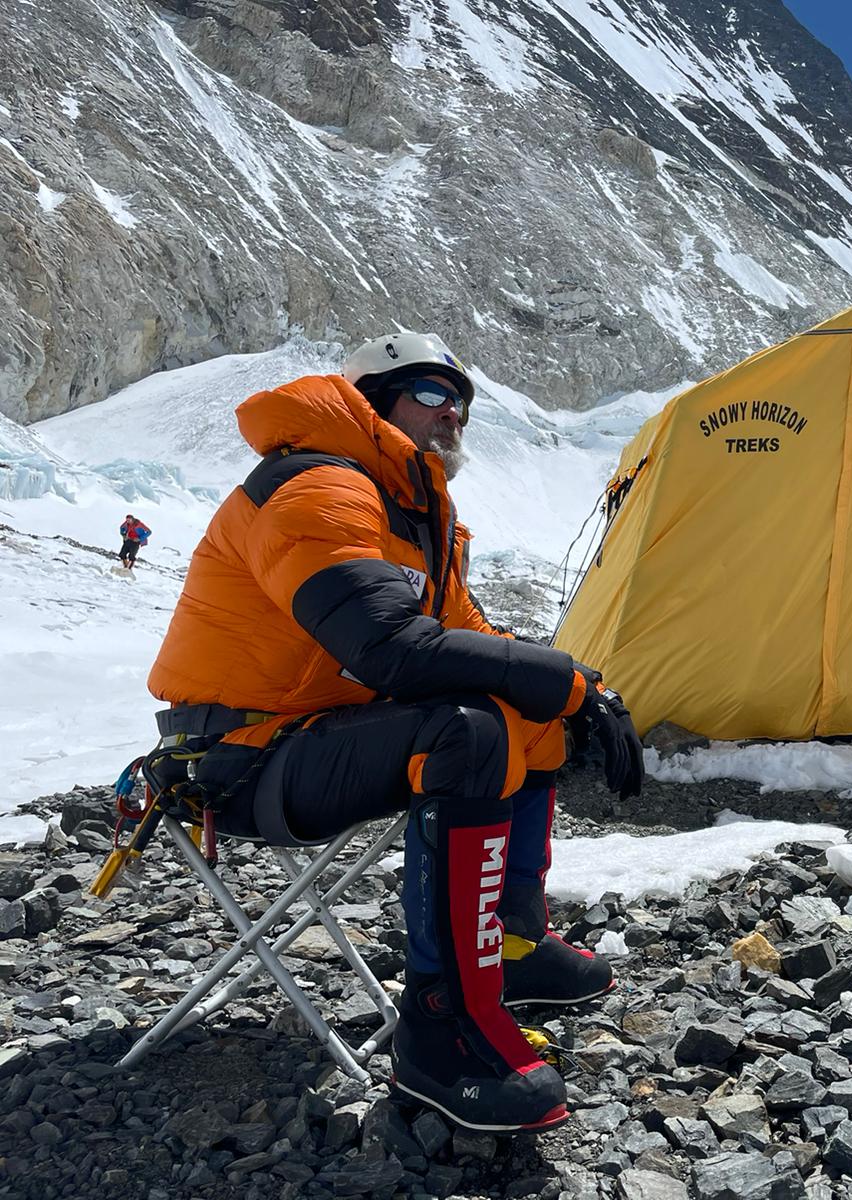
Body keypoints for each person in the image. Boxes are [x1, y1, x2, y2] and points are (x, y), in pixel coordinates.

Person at [146, 333, 644, 1132]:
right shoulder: (316, 486)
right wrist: (560, 676)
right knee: (469, 732)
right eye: (430, 392)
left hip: (316, 735)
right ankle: (441, 1027)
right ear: (375, 399)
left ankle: (511, 943)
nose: (454, 413)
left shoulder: (415, 516)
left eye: (463, 401)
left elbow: (469, 636)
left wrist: (574, 690)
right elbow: (386, 647)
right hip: (235, 757)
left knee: (530, 721)